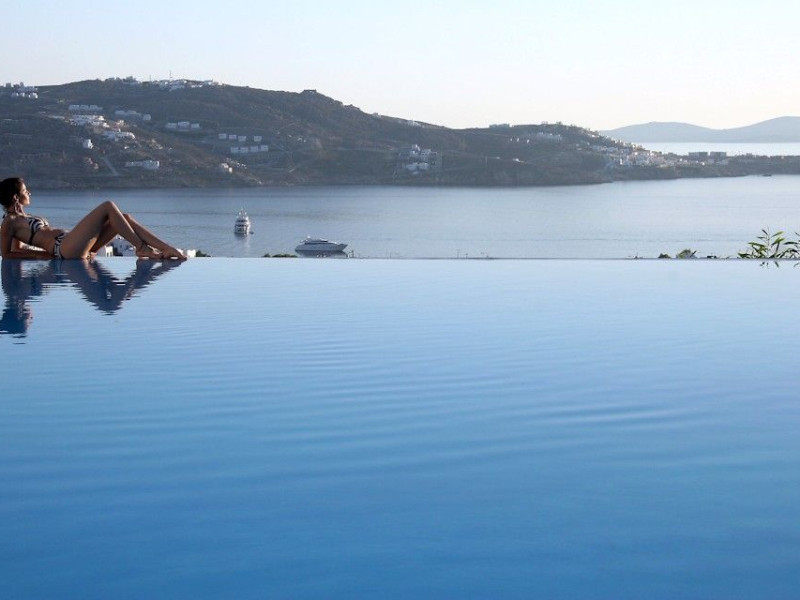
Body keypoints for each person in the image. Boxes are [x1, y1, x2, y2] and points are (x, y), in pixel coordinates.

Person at [0, 177, 186, 260]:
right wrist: (41, 255)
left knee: (124, 218)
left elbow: (17, 248)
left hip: (71, 244)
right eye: (25, 191)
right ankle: (142, 248)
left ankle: (166, 248)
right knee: (107, 206)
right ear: (16, 197)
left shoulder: (21, 218)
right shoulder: (9, 222)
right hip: (62, 248)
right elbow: (7, 253)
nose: (29, 193)